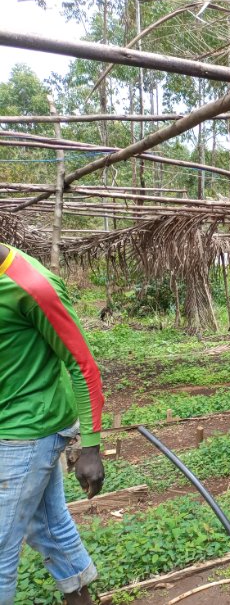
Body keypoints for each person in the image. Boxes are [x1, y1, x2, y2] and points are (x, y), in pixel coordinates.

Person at [0, 243, 105, 604]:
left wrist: (90, 448)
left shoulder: (32, 285)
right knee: (46, 525)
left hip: (27, 432)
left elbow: (83, 365)